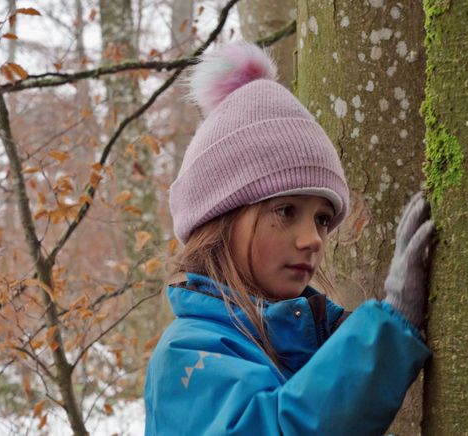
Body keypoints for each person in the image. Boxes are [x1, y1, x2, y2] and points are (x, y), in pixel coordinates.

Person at [144, 41, 434, 435]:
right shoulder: (188, 352)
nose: (313, 238)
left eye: (322, 219)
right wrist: (389, 329)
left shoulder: (305, 339)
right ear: (220, 220)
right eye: (286, 211)